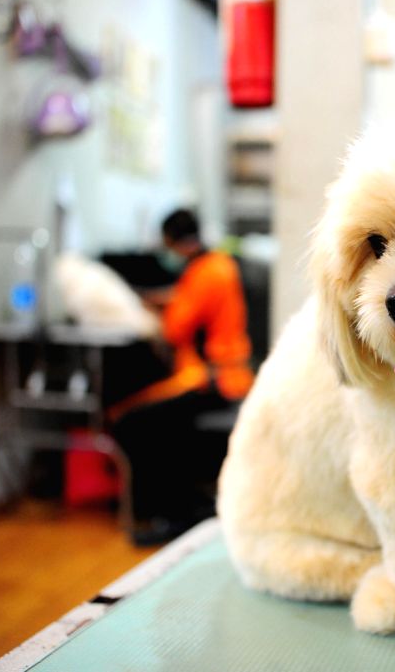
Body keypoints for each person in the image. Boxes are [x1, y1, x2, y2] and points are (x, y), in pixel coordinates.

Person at [110, 208, 254, 543]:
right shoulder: (220, 264)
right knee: (154, 417)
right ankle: (176, 510)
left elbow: (175, 330)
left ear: (172, 242)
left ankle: (171, 517)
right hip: (230, 374)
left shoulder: (203, 273)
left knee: (134, 421)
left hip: (209, 378)